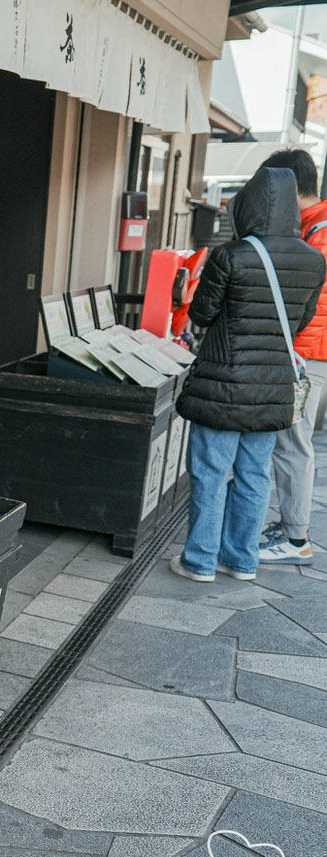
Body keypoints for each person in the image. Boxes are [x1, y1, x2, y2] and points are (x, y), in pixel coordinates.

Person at [172, 166, 325, 583]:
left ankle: (200, 560)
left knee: (210, 473)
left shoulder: (231, 255)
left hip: (222, 385)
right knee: (255, 475)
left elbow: (201, 314)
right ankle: (241, 560)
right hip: (272, 388)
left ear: (249, 206)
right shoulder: (313, 260)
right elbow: (302, 320)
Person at [258, 148, 327, 564]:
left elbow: (304, 301)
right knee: (292, 442)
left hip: (305, 357)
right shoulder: (314, 224)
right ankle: (290, 528)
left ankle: (296, 537)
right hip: (309, 354)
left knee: (293, 443)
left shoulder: (319, 232)